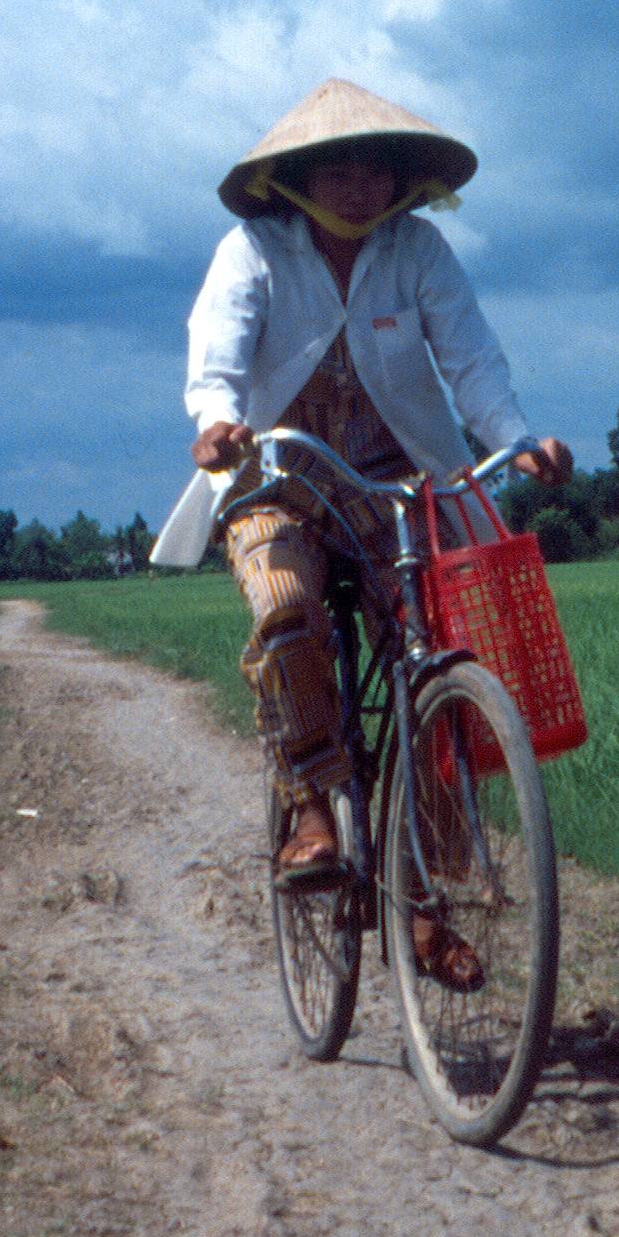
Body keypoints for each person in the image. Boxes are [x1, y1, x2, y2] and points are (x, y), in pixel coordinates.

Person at [153, 78, 572, 991]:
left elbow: (472, 359)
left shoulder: (417, 252)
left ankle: (425, 905)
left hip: (395, 487)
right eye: (335, 167)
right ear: (299, 177)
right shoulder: (255, 250)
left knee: (443, 651)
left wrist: (516, 440)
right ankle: (310, 802)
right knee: (289, 605)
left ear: (398, 179)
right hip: (279, 477)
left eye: (371, 167)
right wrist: (219, 421)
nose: (355, 184)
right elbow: (217, 349)